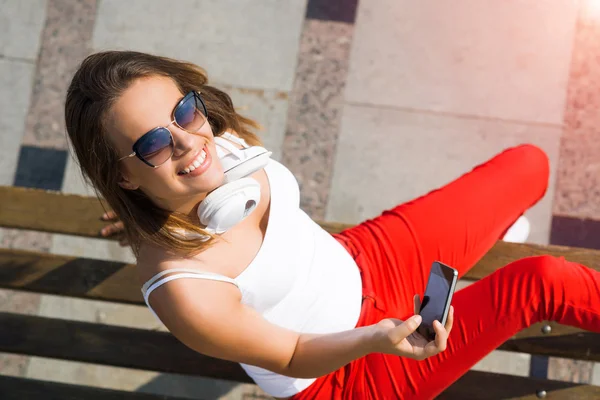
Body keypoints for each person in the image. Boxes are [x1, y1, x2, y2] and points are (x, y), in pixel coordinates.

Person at [65, 50, 600, 400]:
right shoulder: (183, 291)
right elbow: (295, 353)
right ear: (125, 175)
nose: (188, 144)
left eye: (183, 111)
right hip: (345, 372)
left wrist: (149, 198)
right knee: (545, 281)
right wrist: (379, 336)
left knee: (530, 164)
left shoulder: (208, 139)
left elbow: (185, 148)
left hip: (363, 258)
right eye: (153, 144)